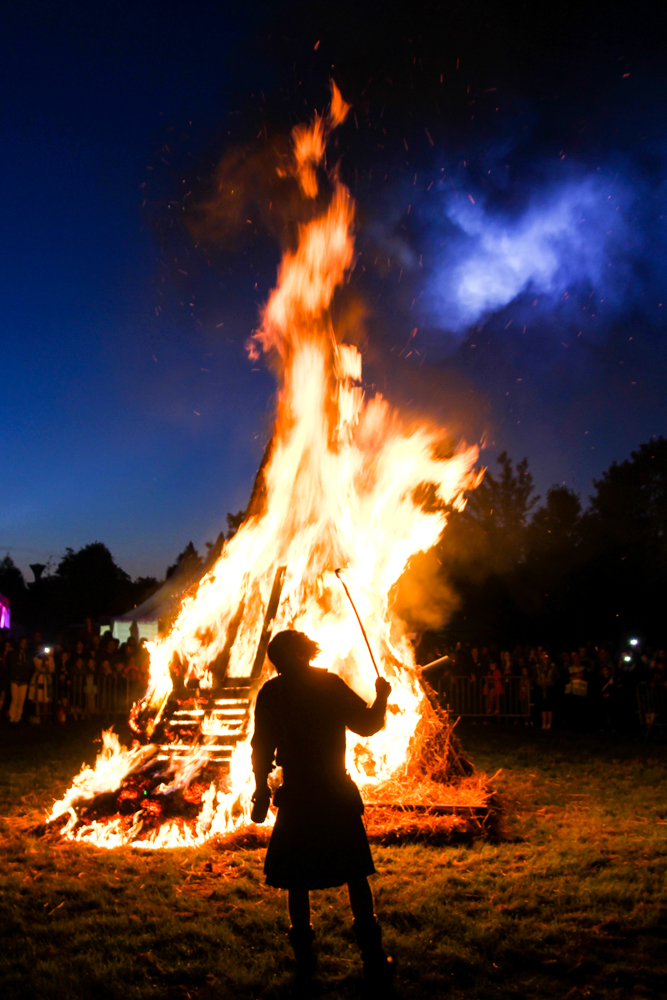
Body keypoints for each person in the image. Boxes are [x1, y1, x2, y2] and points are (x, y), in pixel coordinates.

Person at [250, 629, 393, 981]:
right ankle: (372, 955)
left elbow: (261, 748)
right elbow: (368, 724)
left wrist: (261, 790)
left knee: (297, 878)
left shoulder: (272, 691)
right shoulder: (327, 684)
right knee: (354, 873)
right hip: (332, 790)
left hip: (298, 791)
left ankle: (304, 959)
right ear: (303, 653)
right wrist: (382, 697)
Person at [8, 636, 32, 722]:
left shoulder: (27, 655)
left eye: (25, 643)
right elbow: (13, 664)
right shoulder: (14, 653)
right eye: (22, 642)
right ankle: (11, 717)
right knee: (15, 699)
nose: (24, 644)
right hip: (15, 679)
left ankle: (17, 718)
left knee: (21, 700)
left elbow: (29, 666)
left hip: (24, 680)